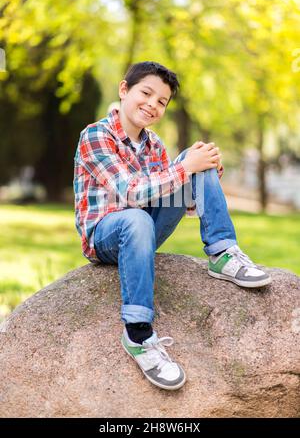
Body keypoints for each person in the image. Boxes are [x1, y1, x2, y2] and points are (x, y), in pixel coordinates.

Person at [73, 61, 271, 391]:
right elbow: (132, 192)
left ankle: (222, 253)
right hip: (105, 236)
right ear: (124, 90)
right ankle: (137, 333)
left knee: (197, 156)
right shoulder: (96, 135)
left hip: (144, 230)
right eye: (146, 93)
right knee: (142, 210)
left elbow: (184, 203)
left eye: (161, 101)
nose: (152, 104)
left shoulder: (154, 145)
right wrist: (186, 170)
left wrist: (206, 169)